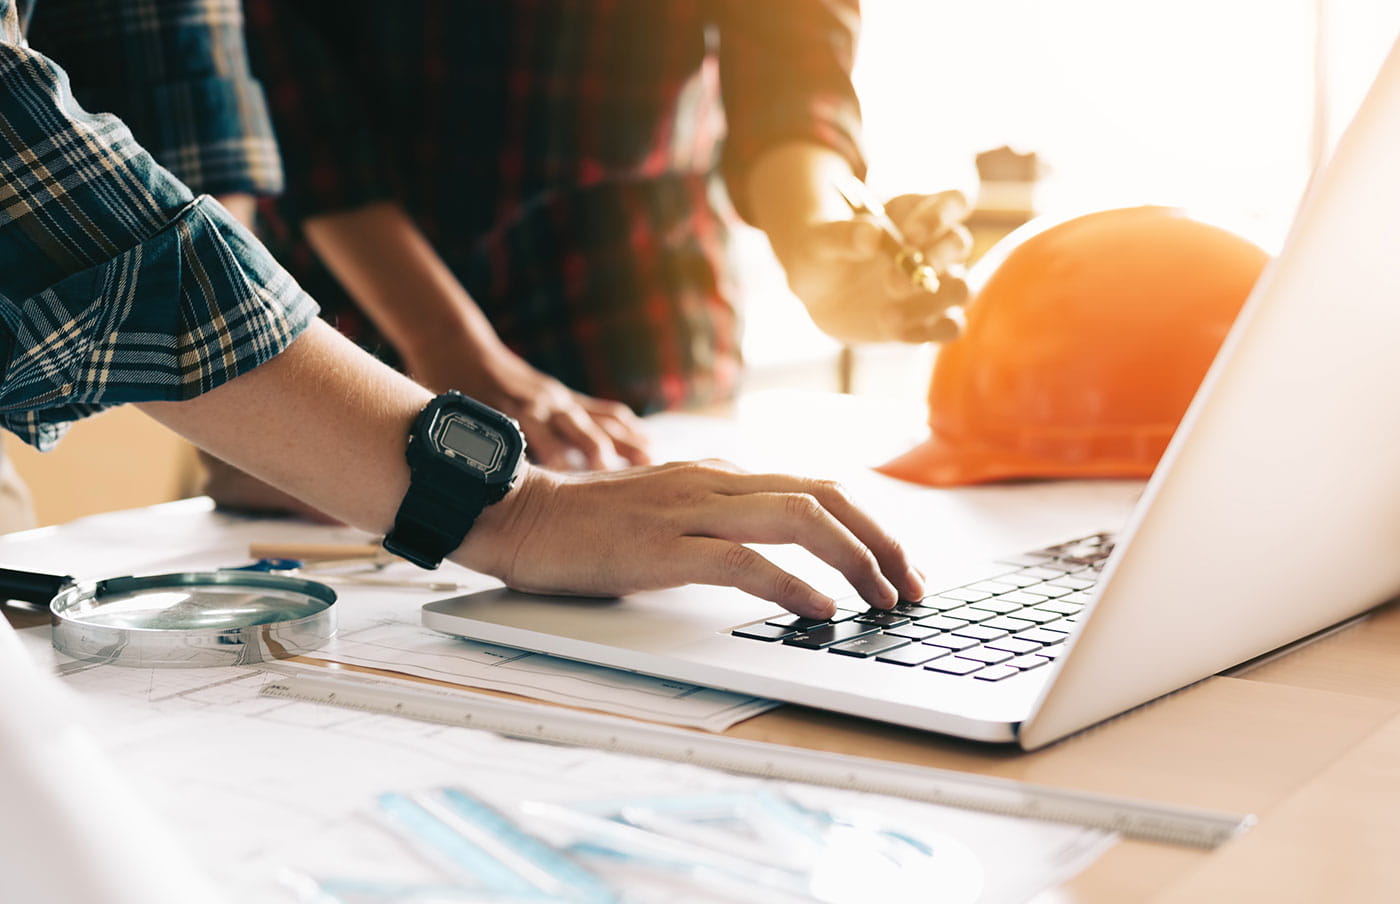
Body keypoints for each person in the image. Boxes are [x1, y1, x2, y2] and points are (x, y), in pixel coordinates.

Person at [1, 0, 924, 619]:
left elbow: (175, 77)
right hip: (369, 336)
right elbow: (34, 159)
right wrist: (512, 509)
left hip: (626, 306)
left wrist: (258, 418)